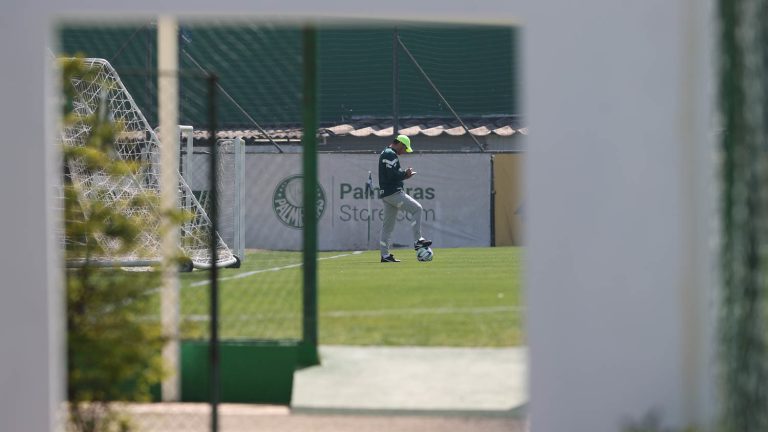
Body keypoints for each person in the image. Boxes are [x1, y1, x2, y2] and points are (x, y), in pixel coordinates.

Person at [378, 134, 432, 262]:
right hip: (393, 193)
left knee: (387, 227)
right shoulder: (390, 154)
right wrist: (405, 174)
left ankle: (385, 256)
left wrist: (404, 176)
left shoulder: (386, 152)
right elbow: (392, 175)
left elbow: (390, 174)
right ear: (400, 144)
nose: (404, 152)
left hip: (387, 194)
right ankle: (418, 240)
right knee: (417, 209)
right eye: (404, 148)